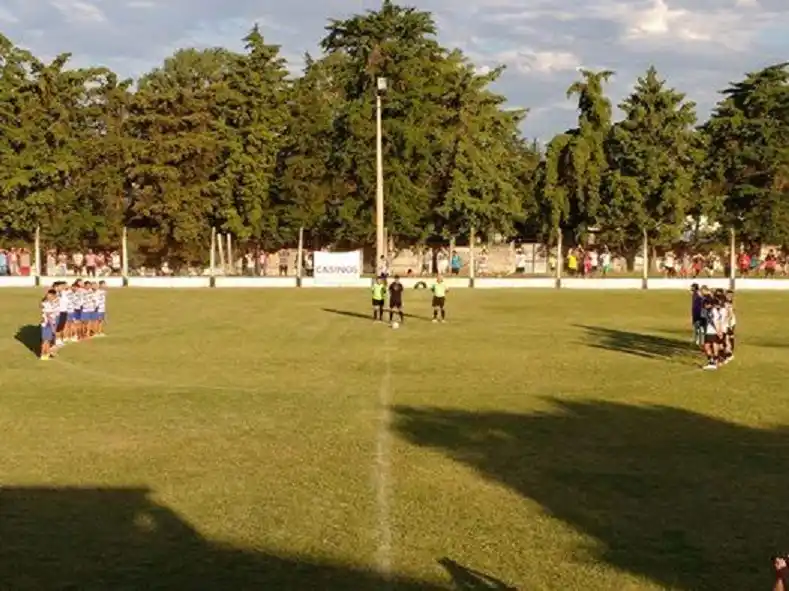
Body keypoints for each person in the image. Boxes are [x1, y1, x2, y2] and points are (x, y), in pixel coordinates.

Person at [700, 296, 723, 370]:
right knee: (706, 347)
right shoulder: (706, 311)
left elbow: (717, 322)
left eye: (706, 304)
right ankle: (712, 361)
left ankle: (714, 362)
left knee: (713, 346)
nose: (705, 306)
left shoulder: (713, 311)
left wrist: (719, 332)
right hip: (707, 332)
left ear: (709, 304)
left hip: (713, 331)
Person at [40, 289, 58, 360]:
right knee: (46, 340)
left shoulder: (51, 303)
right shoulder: (47, 304)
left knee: (48, 340)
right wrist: (53, 327)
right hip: (47, 324)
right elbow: (48, 316)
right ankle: (43, 354)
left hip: (49, 323)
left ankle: (47, 354)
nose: (50, 297)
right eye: (48, 296)